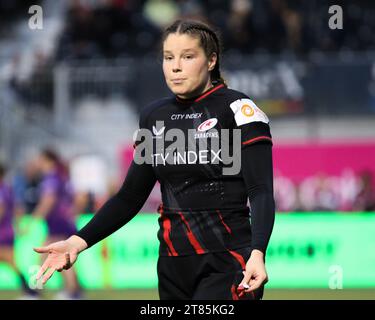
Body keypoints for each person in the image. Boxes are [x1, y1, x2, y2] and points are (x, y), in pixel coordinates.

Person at [34, 19, 275, 300]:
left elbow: (260, 192)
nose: (175, 66)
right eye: (168, 57)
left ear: (211, 60)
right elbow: (130, 196)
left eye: (188, 57)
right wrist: (77, 242)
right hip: (172, 266)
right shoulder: (154, 117)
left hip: (230, 262)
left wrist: (258, 252)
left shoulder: (238, 109)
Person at [32, 149, 83, 299]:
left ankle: (70, 292)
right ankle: (75, 291)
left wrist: (35, 218)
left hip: (57, 223)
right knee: (59, 257)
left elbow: (49, 200)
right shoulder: (62, 176)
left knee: (58, 257)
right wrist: (72, 213)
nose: (38, 163)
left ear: (47, 159)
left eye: (40, 159)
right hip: (63, 222)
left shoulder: (51, 178)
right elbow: (77, 198)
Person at [0, 163, 40, 299]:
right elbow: (17, 209)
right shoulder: (7, 189)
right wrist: (17, 226)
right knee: (12, 264)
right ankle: (31, 291)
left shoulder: (2, 190)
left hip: (2, 234)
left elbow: (1, 211)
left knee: (12, 263)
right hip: (7, 232)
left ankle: (31, 291)